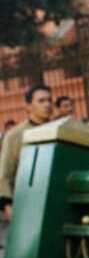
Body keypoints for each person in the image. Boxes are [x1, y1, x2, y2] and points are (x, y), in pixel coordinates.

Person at [0, 85, 53, 220]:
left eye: (49, 100)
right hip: (26, 204)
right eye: (41, 101)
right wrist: (7, 207)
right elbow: (5, 174)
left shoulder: (59, 130)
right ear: (28, 106)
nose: (47, 105)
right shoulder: (15, 135)